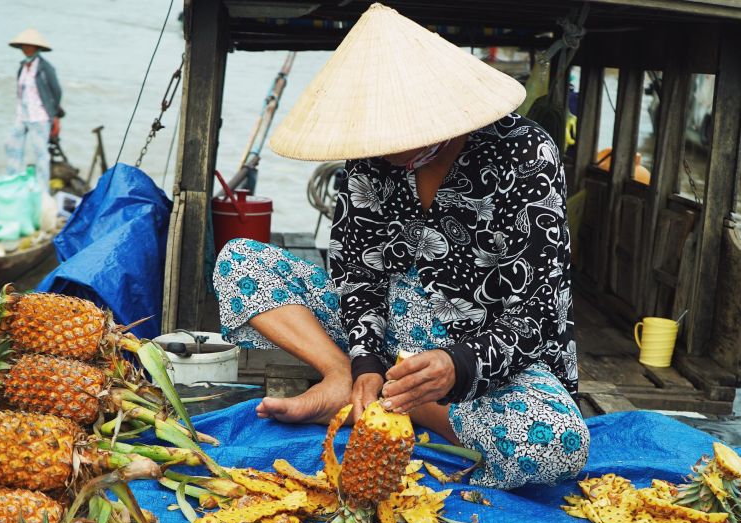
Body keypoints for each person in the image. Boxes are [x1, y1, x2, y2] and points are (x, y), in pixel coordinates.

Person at [213, 3, 589, 491]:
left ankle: (392, 404)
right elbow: (358, 275)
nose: (389, 149)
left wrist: (458, 365)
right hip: (388, 328)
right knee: (240, 261)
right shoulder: (369, 158)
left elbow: (539, 309)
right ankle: (343, 378)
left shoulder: (525, 152)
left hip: (485, 345)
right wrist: (364, 359)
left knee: (558, 443)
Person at [5, 28, 62, 193]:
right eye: (24, 46)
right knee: (10, 145)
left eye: (30, 46)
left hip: (40, 116)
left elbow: (56, 91)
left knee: (41, 154)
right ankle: (12, 182)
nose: (27, 49)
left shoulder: (45, 68)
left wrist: (55, 116)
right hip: (22, 115)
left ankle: (44, 192)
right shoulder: (22, 67)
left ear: (37, 48)